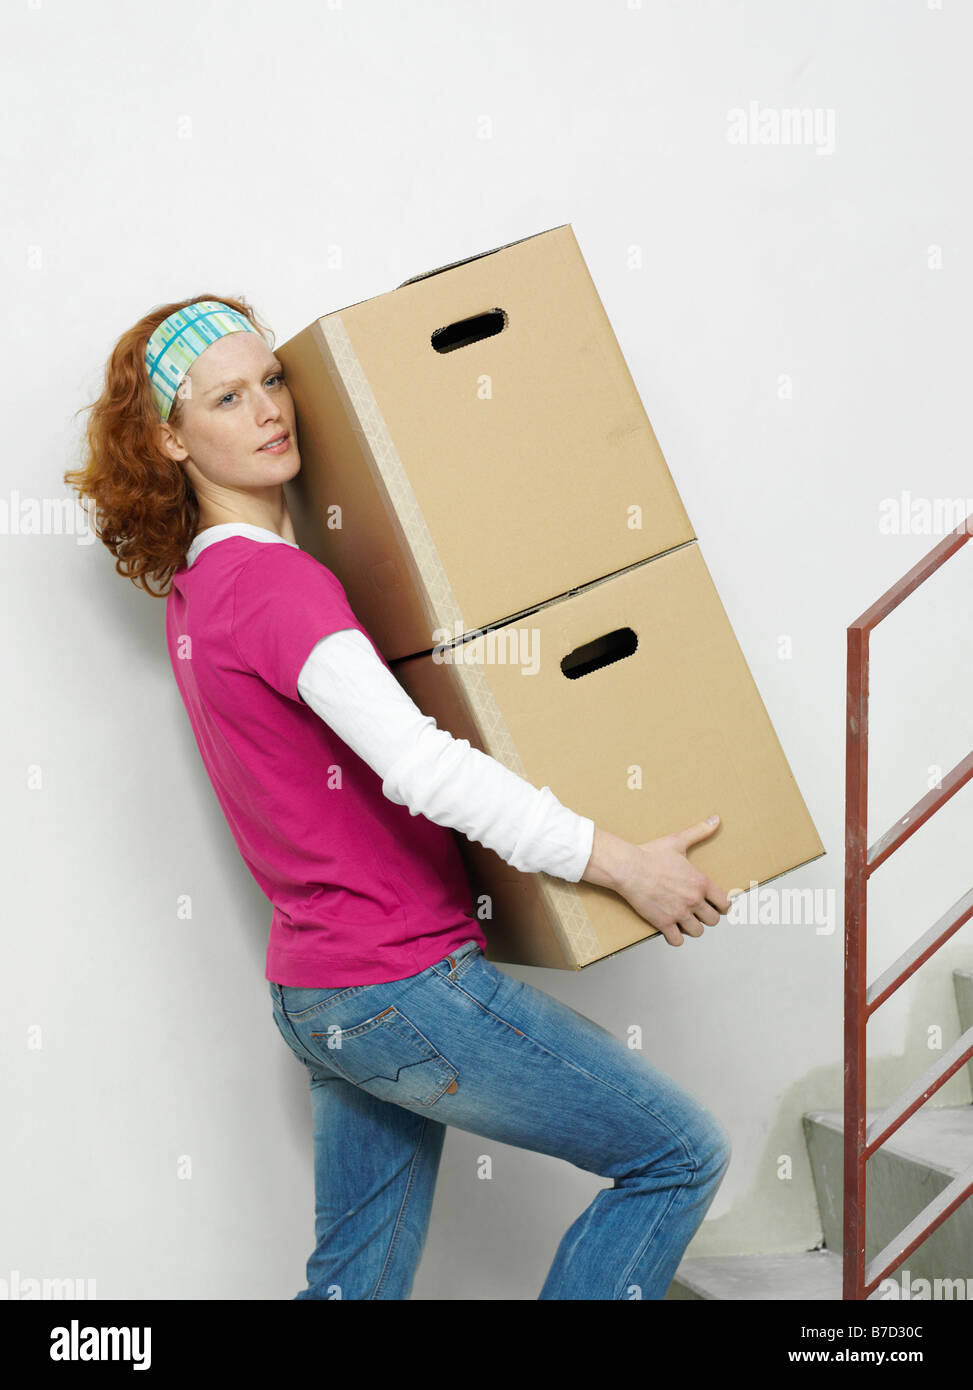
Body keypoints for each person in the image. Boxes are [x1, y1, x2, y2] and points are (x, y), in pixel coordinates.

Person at [65, 295, 734, 1300]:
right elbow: (423, 766)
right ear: (170, 437)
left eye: (273, 381)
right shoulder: (281, 590)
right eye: (228, 397)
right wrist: (623, 863)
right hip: (399, 983)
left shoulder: (199, 595)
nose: (268, 411)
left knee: (353, 1290)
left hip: (320, 991)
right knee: (678, 1155)